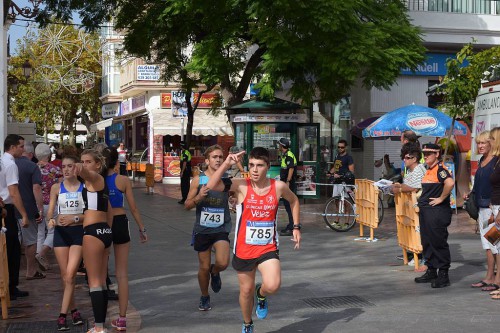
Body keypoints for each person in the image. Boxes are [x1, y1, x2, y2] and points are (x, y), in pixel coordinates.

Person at [206, 147, 301, 333]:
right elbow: (210, 186)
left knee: (273, 285)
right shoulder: (241, 185)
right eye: (251, 165)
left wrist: (296, 227)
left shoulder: (278, 186)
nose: (255, 170)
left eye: (259, 165)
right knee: (246, 291)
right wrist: (227, 163)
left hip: (268, 247)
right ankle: (248, 323)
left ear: (268, 166)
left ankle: (262, 294)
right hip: (244, 249)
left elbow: (294, 200)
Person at [104, 147, 148, 331]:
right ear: (116, 164)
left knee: (99, 274)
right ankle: (122, 319)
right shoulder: (122, 180)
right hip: (121, 222)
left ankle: (99, 319)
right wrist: (142, 228)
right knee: (122, 274)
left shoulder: (95, 180)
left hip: (102, 223)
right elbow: (134, 207)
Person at [184, 145, 232, 311]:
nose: (218, 159)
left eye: (220, 156)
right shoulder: (198, 180)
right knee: (203, 267)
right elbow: (187, 205)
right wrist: (198, 197)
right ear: (207, 161)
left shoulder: (227, 180)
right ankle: (204, 296)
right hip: (203, 229)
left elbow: (236, 195)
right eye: (214, 157)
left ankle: (215, 270)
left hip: (221, 228)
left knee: (223, 262)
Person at [73, 149, 112, 333]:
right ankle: (101, 325)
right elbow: (109, 211)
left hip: (93, 233)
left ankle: (98, 329)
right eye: (83, 161)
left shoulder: (94, 179)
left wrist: (80, 168)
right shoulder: (99, 184)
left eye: (89, 161)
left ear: (98, 165)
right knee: (101, 282)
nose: (85, 164)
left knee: (94, 282)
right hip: (104, 232)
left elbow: (86, 173)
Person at [46, 155, 85, 331]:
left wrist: (74, 218)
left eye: (70, 166)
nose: (66, 169)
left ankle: (62, 315)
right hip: (61, 234)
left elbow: (91, 214)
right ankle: (74, 310)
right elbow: (50, 212)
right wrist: (51, 220)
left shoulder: (85, 187)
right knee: (65, 277)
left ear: (76, 168)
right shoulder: (56, 187)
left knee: (70, 275)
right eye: (64, 167)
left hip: (78, 233)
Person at [414, 143, 454, 288]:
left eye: (429, 153)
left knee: (438, 241)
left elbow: (450, 183)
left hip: (436, 213)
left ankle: (443, 274)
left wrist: (441, 198)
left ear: (437, 154)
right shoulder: (428, 169)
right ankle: (431, 270)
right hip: (426, 212)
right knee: (427, 241)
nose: (425, 156)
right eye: (424, 153)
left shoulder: (441, 170)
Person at [464, 131, 499, 291]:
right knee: (487, 245)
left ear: (491, 143)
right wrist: (470, 194)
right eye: (478, 143)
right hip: (482, 209)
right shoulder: (482, 161)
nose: (480, 146)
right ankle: (489, 276)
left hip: (492, 208)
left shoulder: (496, 162)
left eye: (484, 142)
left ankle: (497, 280)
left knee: (496, 244)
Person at [0, 134, 30, 300]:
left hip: (4, 206)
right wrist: (24, 214)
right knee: (12, 248)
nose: (23, 150)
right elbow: (13, 192)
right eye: (21, 146)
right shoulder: (10, 164)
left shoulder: (2, 161)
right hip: (7, 208)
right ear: (12, 147)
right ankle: (11, 285)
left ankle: (9, 285)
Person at [391, 143, 427, 268]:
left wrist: (399, 187)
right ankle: (414, 254)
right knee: (412, 232)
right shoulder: (410, 170)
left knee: (419, 233)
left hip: (419, 207)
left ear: (415, 158)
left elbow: (414, 187)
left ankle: (422, 257)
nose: (404, 160)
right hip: (410, 207)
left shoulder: (418, 169)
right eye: (404, 157)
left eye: (407, 157)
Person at [15, 142, 45, 280]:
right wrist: (39, 209)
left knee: (14, 240)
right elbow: (36, 189)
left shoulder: (9, 164)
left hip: (10, 208)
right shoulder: (32, 166)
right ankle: (30, 271)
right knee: (31, 241)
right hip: (27, 208)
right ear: (31, 154)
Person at [35, 143, 62, 272]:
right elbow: (61, 186)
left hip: (36, 204)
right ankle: (42, 254)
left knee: (40, 232)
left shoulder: (33, 168)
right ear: (49, 154)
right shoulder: (55, 169)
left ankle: (39, 257)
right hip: (52, 203)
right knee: (53, 231)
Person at [486, 127, 500, 299]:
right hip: (495, 206)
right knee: (493, 242)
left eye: (491, 138)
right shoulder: (496, 160)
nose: (488, 141)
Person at [276, 138, 297, 236]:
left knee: (289, 205)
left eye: (279, 145)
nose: (278, 146)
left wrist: (288, 181)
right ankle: (293, 224)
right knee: (288, 205)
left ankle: (292, 226)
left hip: (288, 183)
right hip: (285, 182)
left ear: (282, 146)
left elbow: (291, 168)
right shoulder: (285, 155)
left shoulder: (289, 155)